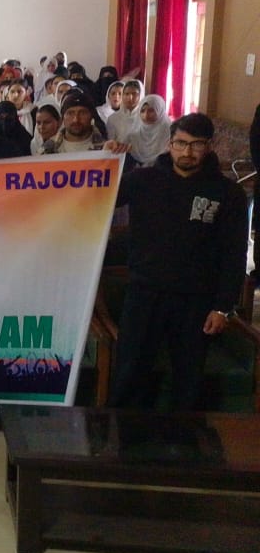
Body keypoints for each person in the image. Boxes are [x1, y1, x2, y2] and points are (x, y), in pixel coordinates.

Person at [105, 113, 247, 411]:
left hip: (196, 299)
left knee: (188, 378)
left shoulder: (228, 193)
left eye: (196, 145)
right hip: (144, 293)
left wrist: (223, 306)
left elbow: (234, 254)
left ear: (209, 146)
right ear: (169, 143)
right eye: (180, 143)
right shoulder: (143, 180)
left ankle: (183, 437)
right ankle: (124, 436)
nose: (187, 152)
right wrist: (107, 160)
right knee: (130, 373)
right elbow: (98, 195)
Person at [124, 94, 172, 166]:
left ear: (160, 111)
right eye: (142, 111)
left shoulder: (170, 133)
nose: (146, 115)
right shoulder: (133, 136)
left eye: (151, 110)